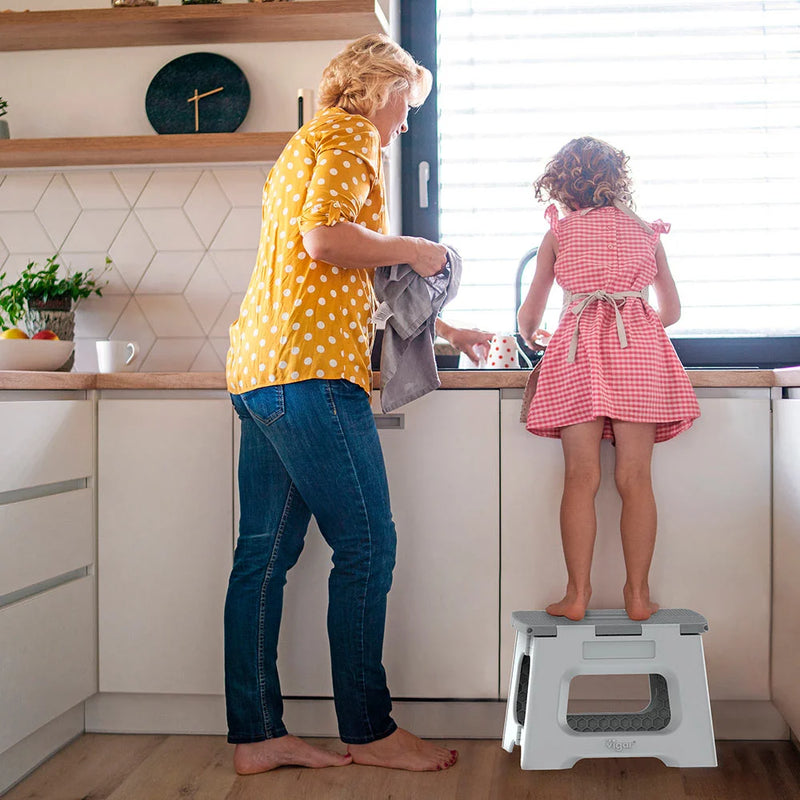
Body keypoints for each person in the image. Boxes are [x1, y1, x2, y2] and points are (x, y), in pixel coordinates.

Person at [224, 34, 484, 776]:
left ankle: (257, 735)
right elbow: (327, 241)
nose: (405, 121)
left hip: (261, 371)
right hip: (308, 376)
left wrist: (446, 324)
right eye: (406, 104)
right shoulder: (349, 134)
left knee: (262, 559)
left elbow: (328, 276)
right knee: (368, 547)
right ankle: (369, 729)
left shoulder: (305, 142)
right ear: (380, 88)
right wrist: (412, 248)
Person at [517, 136, 700, 623]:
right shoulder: (646, 232)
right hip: (638, 353)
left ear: (562, 188)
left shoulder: (560, 233)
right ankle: (637, 596)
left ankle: (576, 595)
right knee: (636, 478)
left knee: (580, 478)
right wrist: (635, 321)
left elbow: (529, 318)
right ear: (617, 181)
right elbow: (673, 312)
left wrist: (539, 333)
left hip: (578, 354)